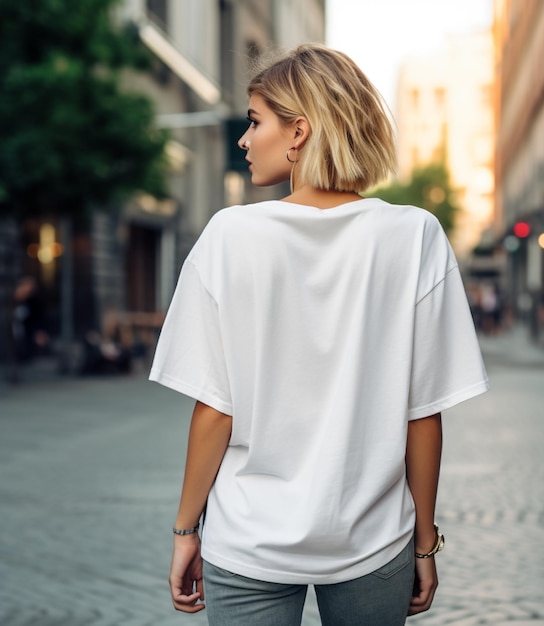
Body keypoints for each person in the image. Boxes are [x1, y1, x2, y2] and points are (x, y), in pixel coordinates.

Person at [149, 44, 489, 625]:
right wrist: (425, 543)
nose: (244, 139)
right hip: (374, 541)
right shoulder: (415, 237)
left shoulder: (230, 235)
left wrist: (186, 530)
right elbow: (423, 414)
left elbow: (215, 410)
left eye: (256, 121)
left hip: (248, 539)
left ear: (299, 130)